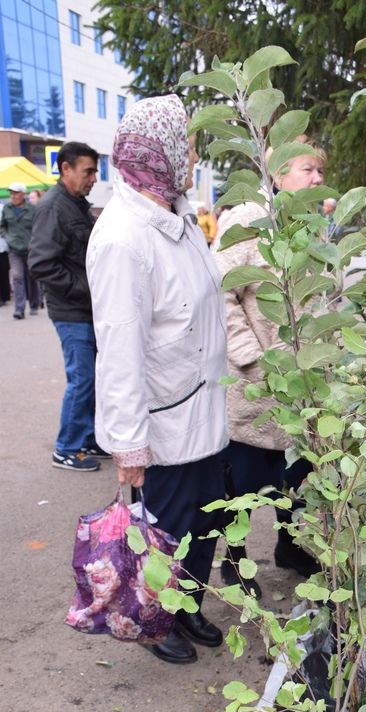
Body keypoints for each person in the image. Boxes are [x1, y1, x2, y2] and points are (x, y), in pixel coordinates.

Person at [86, 94, 229, 665]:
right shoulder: (123, 236)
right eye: (186, 143)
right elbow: (118, 348)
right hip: (165, 416)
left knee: (206, 515)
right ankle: (155, 618)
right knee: (165, 528)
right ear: (160, 149)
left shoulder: (175, 211)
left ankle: (187, 602)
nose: (193, 154)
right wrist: (128, 444)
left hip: (202, 404)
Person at [212, 136, 326, 590]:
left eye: (320, 171)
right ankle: (234, 561)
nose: (317, 178)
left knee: (296, 475)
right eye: (307, 170)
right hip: (256, 384)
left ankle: (289, 545)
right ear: (277, 173)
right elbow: (220, 291)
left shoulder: (309, 224)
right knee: (245, 481)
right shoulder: (246, 219)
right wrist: (247, 355)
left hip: (302, 384)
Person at [29, 142, 104, 472]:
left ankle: (86, 438)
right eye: (88, 171)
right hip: (72, 312)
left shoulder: (75, 204)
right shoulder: (53, 207)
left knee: (93, 379)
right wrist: (86, 290)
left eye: (95, 171)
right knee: (82, 380)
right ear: (66, 169)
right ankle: (66, 448)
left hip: (85, 310)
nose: (94, 178)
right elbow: (41, 264)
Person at [0, 183, 40, 319]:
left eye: (16, 193)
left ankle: (34, 304)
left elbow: (39, 227)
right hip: (14, 249)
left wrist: (34, 242)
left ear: (23, 194)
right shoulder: (7, 208)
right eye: (11, 193)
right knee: (17, 277)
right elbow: (2, 226)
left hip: (30, 249)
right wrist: (7, 237)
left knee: (32, 276)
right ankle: (19, 309)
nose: (13, 196)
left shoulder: (32, 209)